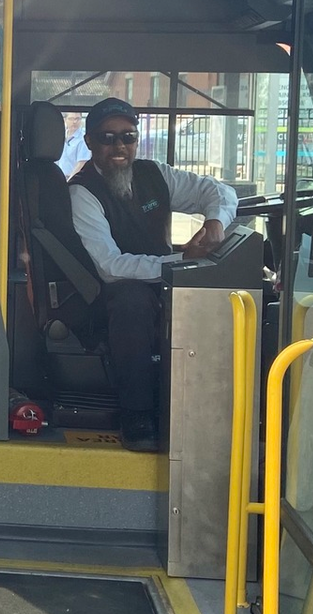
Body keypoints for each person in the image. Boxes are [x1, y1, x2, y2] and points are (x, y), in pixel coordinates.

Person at [69, 97, 236, 453]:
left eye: (128, 137)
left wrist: (216, 221)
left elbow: (218, 190)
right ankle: (137, 413)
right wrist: (181, 261)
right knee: (132, 303)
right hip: (109, 296)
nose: (119, 146)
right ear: (88, 142)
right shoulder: (82, 192)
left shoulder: (154, 173)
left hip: (164, 279)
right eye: (107, 137)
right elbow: (110, 267)